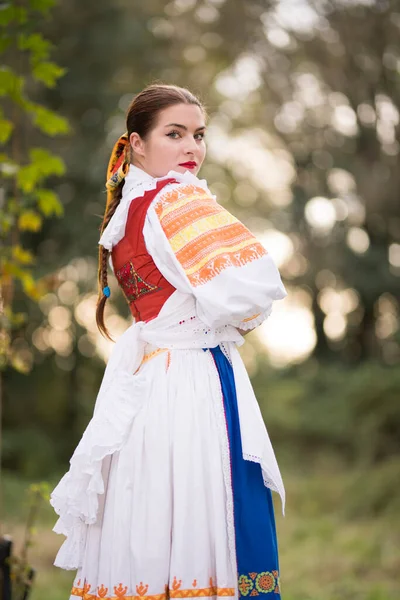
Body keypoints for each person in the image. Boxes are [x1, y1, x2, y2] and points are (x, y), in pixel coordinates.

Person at [50, 84, 287, 600]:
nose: (191, 149)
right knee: (205, 513)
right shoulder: (178, 199)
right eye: (174, 134)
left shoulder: (124, 215)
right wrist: (226, 326)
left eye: (198, 136)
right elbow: (252, 293)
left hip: (150, 384)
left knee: (153, 514)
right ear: (136, 143)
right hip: (194, 384)